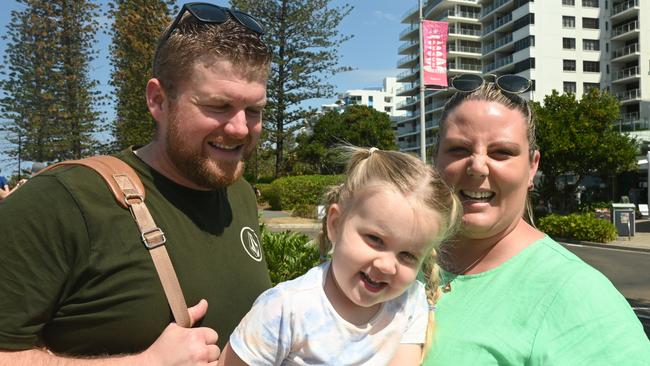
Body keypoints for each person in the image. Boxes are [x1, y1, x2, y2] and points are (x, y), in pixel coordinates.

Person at [0, 3, 272, 365]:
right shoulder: (62, 201)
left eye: (253, 110)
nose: (240, 128)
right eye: (218, 105)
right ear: (158, 100)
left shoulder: (238, 194)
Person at [423, 74, 650, 365]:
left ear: (532, 167)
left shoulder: (580, 295)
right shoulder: (394, 258)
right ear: (435, 159)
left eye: (501, 152)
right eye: (459, 150)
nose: (477, 166)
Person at [218, 146, 462, 365]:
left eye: (408, 255)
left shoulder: (409, 302)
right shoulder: (286, 308)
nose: (387, 266)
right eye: (375, 239)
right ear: (335, 224)